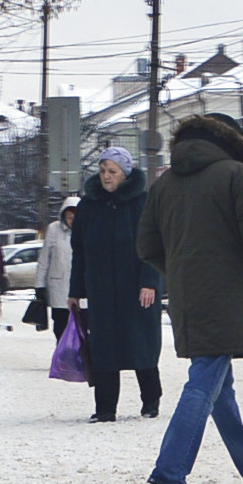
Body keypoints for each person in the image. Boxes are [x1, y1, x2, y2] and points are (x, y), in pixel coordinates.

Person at [135, 114, 243, 484]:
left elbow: (146, 246)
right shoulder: (238, 175)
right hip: (229, 292)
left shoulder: (164, 184)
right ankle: (169, 470)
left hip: (186, 294)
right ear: (231, 140)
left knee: (218, 382)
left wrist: (180, 271)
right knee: (205, 380)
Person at [72, 148, 164, 423]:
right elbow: (80, 251)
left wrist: (150, 282)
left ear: (126, 172)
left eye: (112, 171)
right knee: (104, 348)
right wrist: (76, 291)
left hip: (137, 288)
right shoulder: (88, 206)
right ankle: (105, 408)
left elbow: (155, 246)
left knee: (141, 344)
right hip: (102, 289)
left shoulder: (144, 203)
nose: (106, 177)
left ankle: (151, 400)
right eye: (102, 171)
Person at [26, 198, 78, 333]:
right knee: (61, 326)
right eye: (69, 217)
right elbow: (44, 260)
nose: (72, 220)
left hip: (82, 291)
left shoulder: (87, 230)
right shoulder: (54, 229)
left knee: (81, 329)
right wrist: (39, 285)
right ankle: (62, 353)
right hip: (58, 289)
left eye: (75, 217)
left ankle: (81, 354)